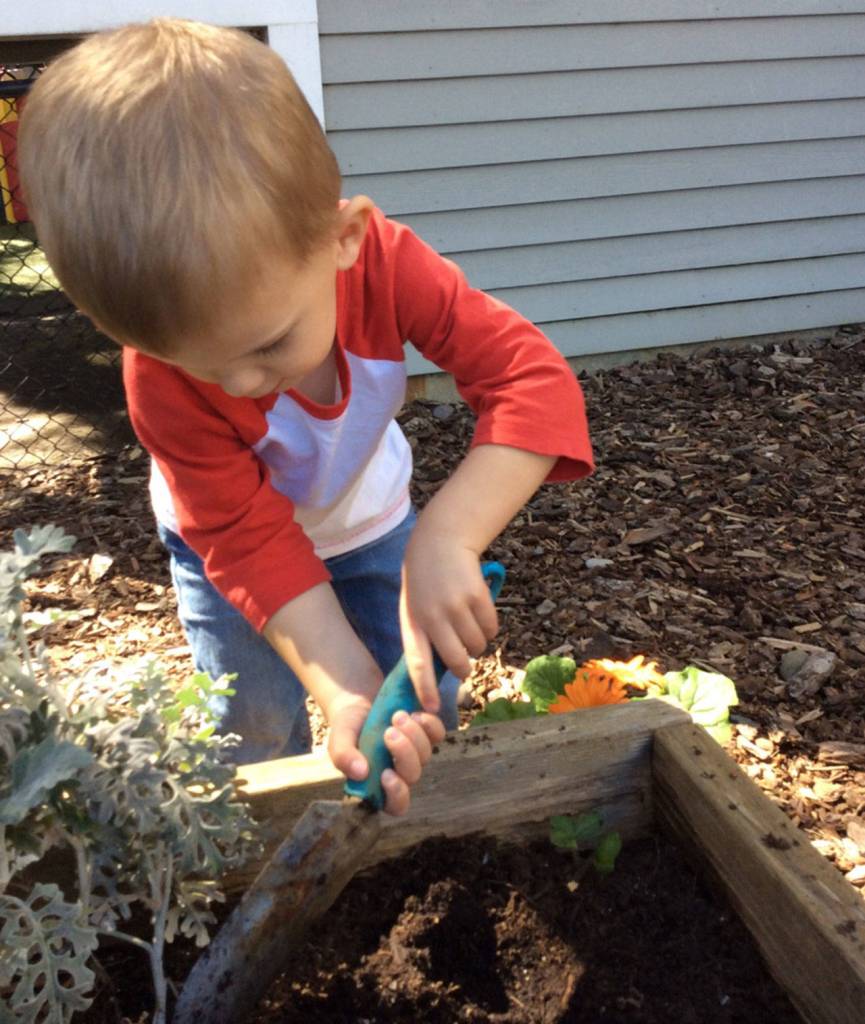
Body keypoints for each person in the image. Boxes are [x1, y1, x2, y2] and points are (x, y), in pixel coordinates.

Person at [18, 18, 593, 815]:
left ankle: (425, 830)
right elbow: (247, 538)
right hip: (225, 549)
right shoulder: (158, 375)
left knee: (416, 689)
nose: (239, 384)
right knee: (250, 717)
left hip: (372, 519)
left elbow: (532, 382)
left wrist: (449, 537)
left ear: (343, 239)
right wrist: (341, 685)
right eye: (201, 364)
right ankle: (248, 840)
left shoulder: (388, 265)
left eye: (266, 344)